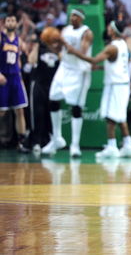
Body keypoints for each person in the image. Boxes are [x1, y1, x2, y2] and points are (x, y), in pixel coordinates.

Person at [64, 20, 131, 159]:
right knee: (120, 117)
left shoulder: (111, 48)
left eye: (109, 27)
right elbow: (117, 66)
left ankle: (111, 147)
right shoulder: (123, 45)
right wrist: (100, 68)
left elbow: (93, 60)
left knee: (110, 117)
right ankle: (129, 145)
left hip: (115, 86)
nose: (107, 28)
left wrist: (74, 51)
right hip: (122, 84)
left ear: (113, 30)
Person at [42, 9, 93, 158]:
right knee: (53, 99)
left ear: (81, 18)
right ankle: (57, 138)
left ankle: (75, 145)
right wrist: (50, 43)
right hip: (64, 67)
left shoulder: (86, 33)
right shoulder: (65, 30)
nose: (72, 18)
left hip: (79, 71)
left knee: (76, 107)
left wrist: (64, 42)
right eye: (71, 15)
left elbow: (82, 54)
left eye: (75, 16)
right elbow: (60, 49)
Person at [0, 14, 30, 153]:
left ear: (16, 23)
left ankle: (21, 142)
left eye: (13, 20)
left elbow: (19, 59)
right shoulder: (1, 37)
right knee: (2, 112)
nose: (11, 22)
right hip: (3, 77)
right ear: (4, 23)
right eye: (8, 20)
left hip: (16, 78)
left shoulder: (19, 41)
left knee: (20, 110)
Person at [27, 30, 60, 153]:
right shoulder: (39, 50)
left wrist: (56, 47)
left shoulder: (57, 51)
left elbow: (63, 60)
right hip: (38, 85)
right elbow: (31, 60)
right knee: (37, 114)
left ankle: (51, 140)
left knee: (50, 114)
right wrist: (35, 46)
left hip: (52, 86)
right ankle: (35, 141)